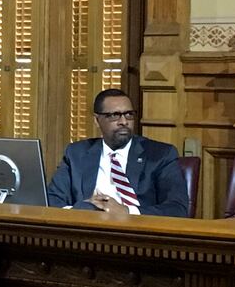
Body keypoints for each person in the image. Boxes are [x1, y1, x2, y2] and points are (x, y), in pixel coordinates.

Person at [47, 89, 188, 217]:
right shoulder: (76, 154)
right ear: (97, 120)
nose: (124, 122)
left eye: (129, 114)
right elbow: (52, 201)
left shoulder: (160, 154)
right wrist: (86, 209)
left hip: (138, 232)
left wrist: (127, 211)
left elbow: (177, 209)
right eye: (115, 115)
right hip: (87, 231)